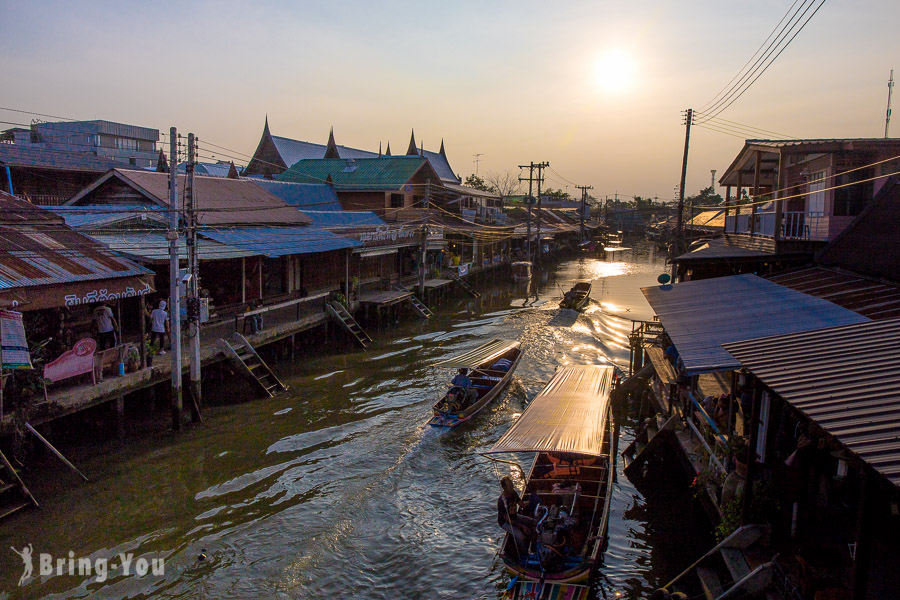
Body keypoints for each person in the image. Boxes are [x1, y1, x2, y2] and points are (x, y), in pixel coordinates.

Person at [497, 477, 531, 559]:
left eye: (512, 485)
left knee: (532, 522)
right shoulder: (501, 501)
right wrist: (522, 527)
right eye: (510, 486)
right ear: (504, 488)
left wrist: (531, 500)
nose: (512, 487)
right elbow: (508, 520)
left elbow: (522, 504)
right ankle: (524, 554)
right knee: (520, 536)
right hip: (505, 522)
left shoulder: (513, 493)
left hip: (515, 516)